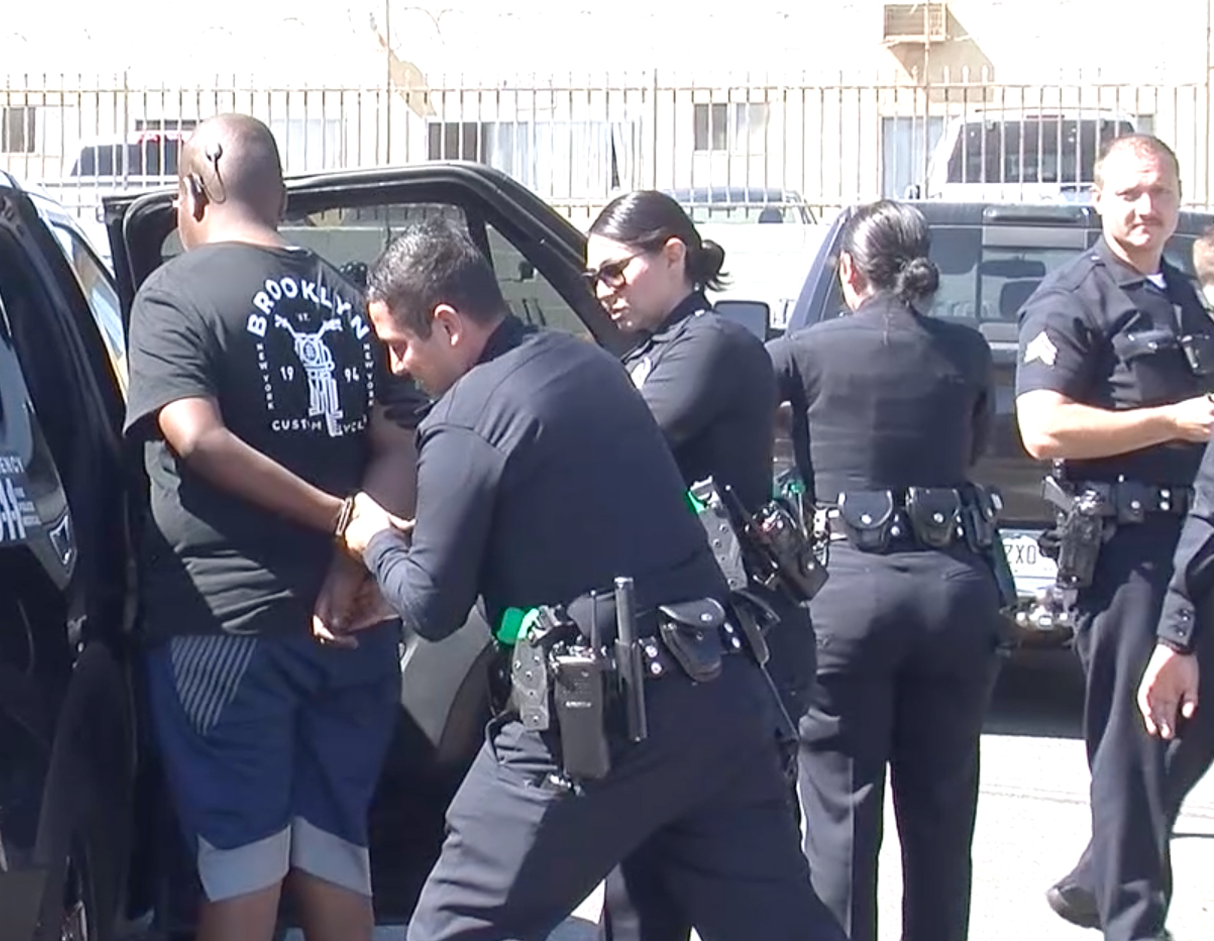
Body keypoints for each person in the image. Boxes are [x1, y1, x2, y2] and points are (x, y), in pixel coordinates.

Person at [336, 218, 844, 941]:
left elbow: (433, 605)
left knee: (454, 929)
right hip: (719, 699)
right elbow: (566, 518)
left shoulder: (464, 420)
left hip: (597, 716)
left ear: (446, 323)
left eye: (399, 344)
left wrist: (374, 539)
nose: (396, 367)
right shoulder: (590, 369)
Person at [121, 113, 423, 941]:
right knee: (335, 846)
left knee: (240, 856)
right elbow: (399, 445)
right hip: (349, 628)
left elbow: (196, 437)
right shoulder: (344, 291)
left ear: (191, 191)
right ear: (281, 196)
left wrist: (339, 523)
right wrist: (349, 556)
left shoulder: (174, 292)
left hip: (223, 627)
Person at [765, 200, 1006, 941]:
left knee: (839, 815)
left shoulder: (807, 350)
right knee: (940, 818)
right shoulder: (966, 350)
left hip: (845, 593)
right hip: (953, 592)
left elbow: (738, 408)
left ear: (847, 271)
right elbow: (970, 455)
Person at [581, 190, 817, 941]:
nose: (603, 292)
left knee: (749, 887)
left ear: (673, 254)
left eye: (615, 272)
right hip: (671, 645)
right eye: (593, 280)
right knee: (642, 882)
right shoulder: (648, 353)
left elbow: (622, 447)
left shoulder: (712, 345)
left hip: (732, 646)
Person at [1016, 132, 1214, 941]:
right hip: (1126, 553)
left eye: (1160, 192)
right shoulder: (1073, 297)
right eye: (1129, 193)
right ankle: (1134, 920)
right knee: (1135, 751)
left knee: (1188, 734)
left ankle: (1102, 875)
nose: (1146, 208)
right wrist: (1166, 420)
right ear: (1098, 200)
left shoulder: (1181, 293)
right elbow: (1042, 427)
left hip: (1193, 548)